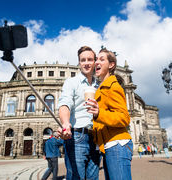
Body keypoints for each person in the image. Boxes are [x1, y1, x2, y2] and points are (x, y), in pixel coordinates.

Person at [86, 47, 133, 180]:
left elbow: (124, 118)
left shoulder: (113, 86)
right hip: (110, 145)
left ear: (111, 65)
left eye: (101, 59)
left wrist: (99, 113)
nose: (96, 62)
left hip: (117, 144)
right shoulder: (103, 86)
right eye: (96, 60)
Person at [57, 46, 101, 179]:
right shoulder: (71, 82)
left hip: (96, 137)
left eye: (90, 59)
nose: (86, 63)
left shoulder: (99, 85)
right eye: (83, 60)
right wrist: (65, 123)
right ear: (79, 63)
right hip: (77, 136)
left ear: (94, 62)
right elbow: (65, 104)